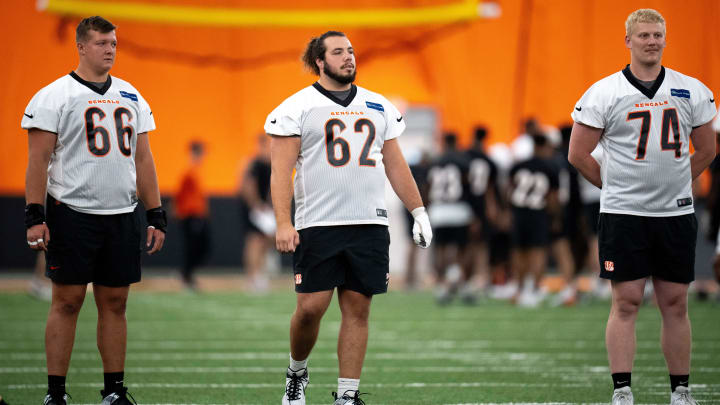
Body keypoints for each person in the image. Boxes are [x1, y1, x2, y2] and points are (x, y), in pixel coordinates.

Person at [266, 31, 432, 405]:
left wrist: (418, 211)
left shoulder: (378, 105)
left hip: (369, 223)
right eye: (338, 52)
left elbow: (395, 163)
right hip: (318, 223)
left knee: (358, 309)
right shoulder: (297, 106)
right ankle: (296, 372)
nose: (348, 57)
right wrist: (282, 221)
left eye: (351, 51)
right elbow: (281, 171)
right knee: (310, 309)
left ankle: (347, 395)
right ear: (320, 62)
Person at [568, 9, 715, 405]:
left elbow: (708, 148)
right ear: (628, 41)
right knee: (626, 301)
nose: (652, 41)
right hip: (624, 214)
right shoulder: (604, 91)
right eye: (644, 35)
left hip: (675, 213)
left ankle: (681, 390)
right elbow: (578, 153)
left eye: (657, 35)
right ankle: (622, 390)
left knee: (675, 302)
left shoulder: (691, 89)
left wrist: (680, 181)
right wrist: (613, 186)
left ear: (665, 39)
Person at [22, 16, 166, 405]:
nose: (110, 49)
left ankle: (114, 391)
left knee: (116, 303)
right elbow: (38, 160)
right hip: (72, 213)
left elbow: (144, 159)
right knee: (67, 301)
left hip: (122, 214)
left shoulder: (132, 95)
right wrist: (35, 215)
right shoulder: (54, 95)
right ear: (81, 47)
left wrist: (155, 213)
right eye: (102, 43)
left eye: (114, 43)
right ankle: (56, 393)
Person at [508, 133, 560, 307]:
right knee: (537, 251)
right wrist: (555, 217)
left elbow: (509, 191)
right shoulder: (550, 167)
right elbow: (553, 197)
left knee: (519, 251)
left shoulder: (518, 165)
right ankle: (533, 289)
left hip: (519, 212)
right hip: (538, 213)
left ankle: (520, 287)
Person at [427, 132, 473, 304]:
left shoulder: (436, 161)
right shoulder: (463, 161)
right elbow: (469, 186)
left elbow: (428, 186)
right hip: (459, 208)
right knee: (462, 248)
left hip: (439, 209)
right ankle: (459, 281)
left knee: (440, 249)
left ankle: (442, 284)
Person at [464, 126, 499, 298]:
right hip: (481, 206)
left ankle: (469, 279)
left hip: (465, 205)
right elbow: (490, 189)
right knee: (481, 245)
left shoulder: (464, 157)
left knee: (468, 245)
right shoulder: (488, 161)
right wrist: (492, 208)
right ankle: (480, 278)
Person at [238, 134, 275, 293]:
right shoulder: (254, 163)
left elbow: (270, 187)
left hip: (263, 208)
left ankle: (259, 273)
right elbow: (248, 185)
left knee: (265, 240)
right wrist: (255, 204)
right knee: (254, 241)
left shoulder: (268, 164)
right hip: (254, 208)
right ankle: (252, 277)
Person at [174, 141, 210, 290]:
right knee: (194, 247)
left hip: (197, 215)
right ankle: (186, 276)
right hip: (191, 215)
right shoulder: (189, 172)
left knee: (201, 246)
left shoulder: (195, 171)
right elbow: (180, 195)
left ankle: (187, 274)